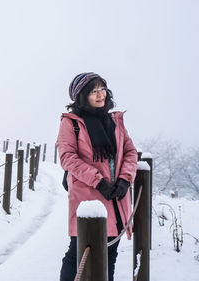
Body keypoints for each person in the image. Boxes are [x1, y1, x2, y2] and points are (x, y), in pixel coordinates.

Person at [56, 72, 138, 281]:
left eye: (102, 88)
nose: (100, 94)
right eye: (93, 91)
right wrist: (98, 181)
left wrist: (124, 179)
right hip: (88, 199)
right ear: (82, 96)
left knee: (110, 255)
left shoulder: (115, 121)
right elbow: (68, 158)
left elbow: (130, 152)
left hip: (117, 200)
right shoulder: (71, 123)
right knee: (77, 253)